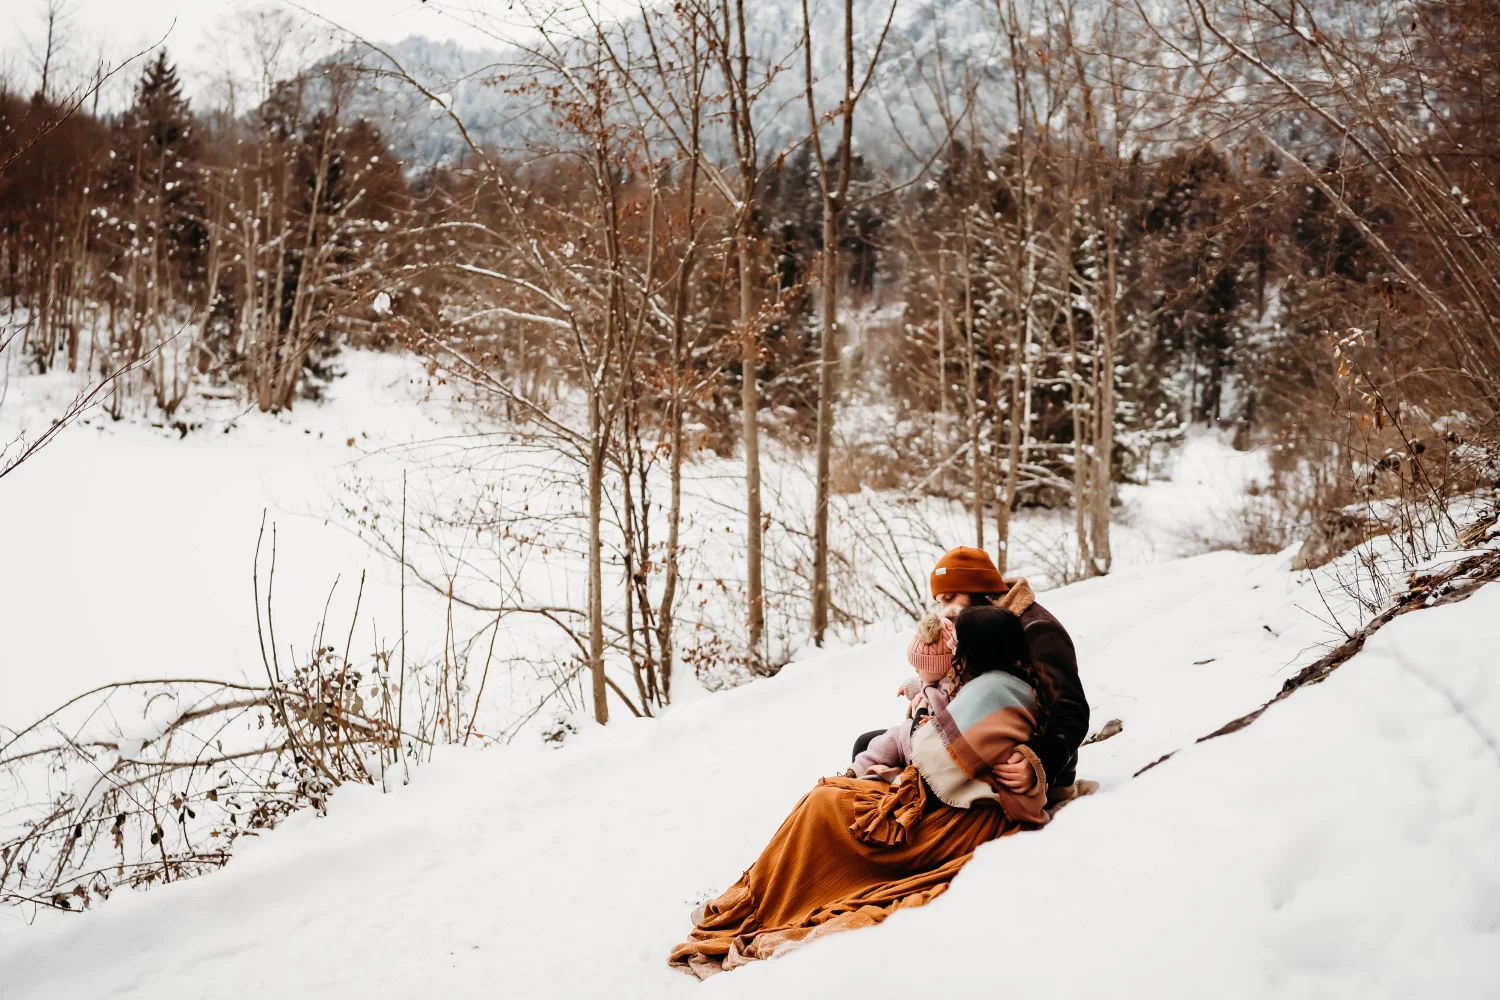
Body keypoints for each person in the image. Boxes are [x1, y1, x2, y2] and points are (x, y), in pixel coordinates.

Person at [669, 607, 1050, 978]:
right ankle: (747, 900)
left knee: (825, 805)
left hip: (954, 823)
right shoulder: (998, 684)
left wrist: (922, 712)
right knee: (827, 797)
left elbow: (933, 755)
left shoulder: (991, 691)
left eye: (959, 643)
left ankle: (756, 908)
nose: (953, 651)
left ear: (976, 649)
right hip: (950, 805)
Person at [851, 546, 1092, 805]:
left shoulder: (1037, 629)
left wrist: (1036, 763)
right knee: (869, 744)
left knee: (893, 762)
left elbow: (1071, 712)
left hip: (1022, 763)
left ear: (980, 589)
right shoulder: (971, 625)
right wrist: (925, 696)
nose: (945, 610)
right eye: (941, 601)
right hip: (981, 736)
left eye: (951, 596)